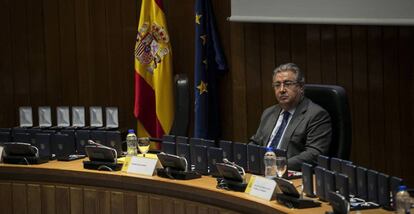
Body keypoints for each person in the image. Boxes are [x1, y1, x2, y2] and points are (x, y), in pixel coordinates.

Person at [250, 63, 332, 171]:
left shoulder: (316, 115)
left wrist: (277, 166)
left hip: (292, 175)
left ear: (301, 87)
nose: (281, 90)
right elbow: (255, 142)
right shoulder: (269, 113)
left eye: (287, 84)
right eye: (277, 85)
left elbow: (314, 154)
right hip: (262, 172)